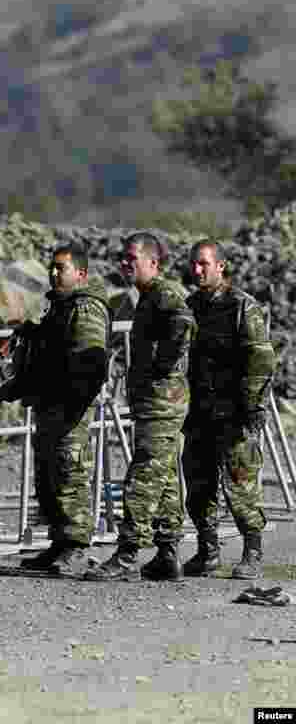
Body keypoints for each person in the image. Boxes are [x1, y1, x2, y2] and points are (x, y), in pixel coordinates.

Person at [0, 243, 111, 575]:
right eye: (53, 268)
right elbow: (47, 354)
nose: (54, 273)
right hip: (51, 405)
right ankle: (59, 542)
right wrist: (15, 387)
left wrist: (71, 403)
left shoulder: (85, 309)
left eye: (62, 268)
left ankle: (76, 546)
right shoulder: (61, 307)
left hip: (68, 408)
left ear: (81, 274)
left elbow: (90, 362)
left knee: (69, 474)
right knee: (48, 475)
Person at [85, 232, 195, 582]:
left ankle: (128, 552)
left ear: (153, 262)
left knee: (144, 475)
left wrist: (164, 365)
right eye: (123, 257)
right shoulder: (147, 298)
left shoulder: (164, 295)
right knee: (162, 480)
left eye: (132, 258)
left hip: (163, 403)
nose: (125, 263)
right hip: (154, 402)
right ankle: (167, 551)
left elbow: (184, 325)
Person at [182, 240, 276, 580]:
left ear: (221, 266)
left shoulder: (241, 306)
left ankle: (252, 552)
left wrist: (252, 405)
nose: (197, 270)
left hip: (234, 413)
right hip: (199, 412)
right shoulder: (190, 306)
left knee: (240, 485)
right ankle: (207, 553)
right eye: (194, 264)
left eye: (204, 264)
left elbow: (261, 359)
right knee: (198, 486)